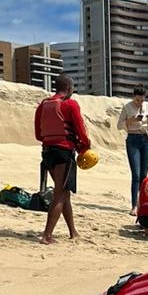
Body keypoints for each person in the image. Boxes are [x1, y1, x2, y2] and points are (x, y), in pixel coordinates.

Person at [34, 73, 90, 244]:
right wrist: (85, 146)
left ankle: (73, 231)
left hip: (47, 152)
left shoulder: (43, 105)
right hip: (63, 151)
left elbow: (38, 134)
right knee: (60, 193)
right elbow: (81, 130)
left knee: (64, 192)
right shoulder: (70, 104)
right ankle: (47, 235)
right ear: (69, 88)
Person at [116, 84, 148, 215]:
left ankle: (143, 204)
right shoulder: (127, 107)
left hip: (146, 139)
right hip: (133, 139)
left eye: (142, 100)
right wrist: (130, 120)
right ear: (133, 97)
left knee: (144, 175)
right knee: (136, 174)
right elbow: (119, 125)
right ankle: (134, 205)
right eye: (138, 100)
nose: (140, 103)